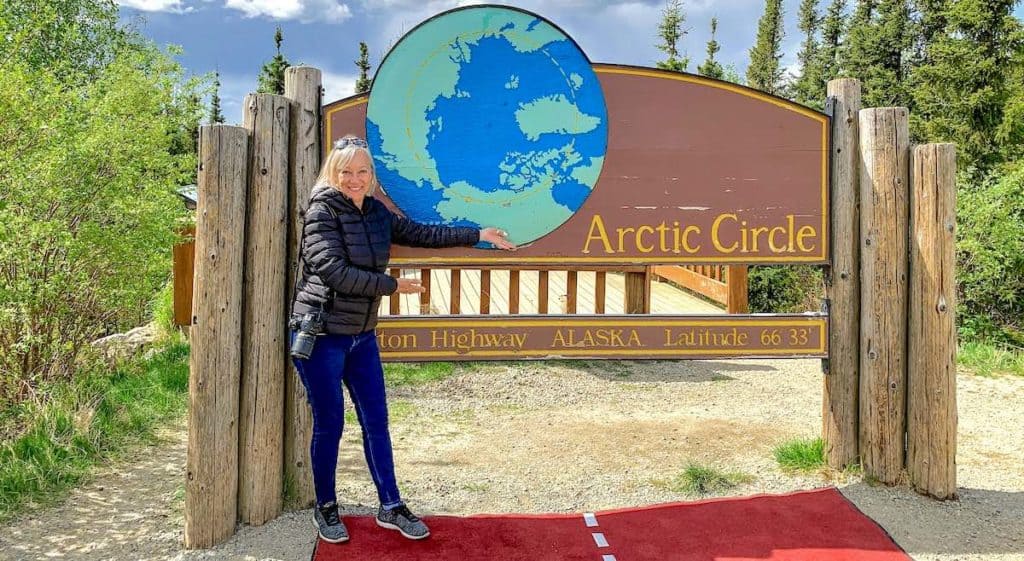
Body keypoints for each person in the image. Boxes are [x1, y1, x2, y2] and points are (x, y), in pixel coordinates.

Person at [290, 134, 515, 544]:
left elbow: (420, 233)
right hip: (322, 335)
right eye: (346, 172)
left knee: (377, 422)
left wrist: (477, 233)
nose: (354, 179)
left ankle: (390, 505)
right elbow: (333, 272)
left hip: (361, 337)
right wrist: (393, 286)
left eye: (362, 171)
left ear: (371, 175)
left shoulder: (376, 211)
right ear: (332, 173)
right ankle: (326, 507)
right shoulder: (320, 212)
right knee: (331, 424)